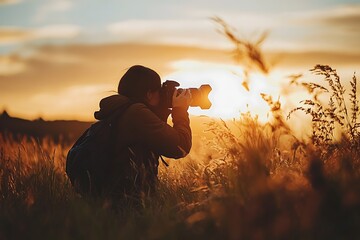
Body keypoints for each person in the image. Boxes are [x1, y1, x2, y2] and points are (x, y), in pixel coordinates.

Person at [90, 65, 192, 204]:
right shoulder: (137, 113)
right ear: (149, 94)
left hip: (110, 199)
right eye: (159, 92)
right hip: (129, 203)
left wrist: (160, 111)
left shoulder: (119, 112)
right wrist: (180, 110)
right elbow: (181, 146)